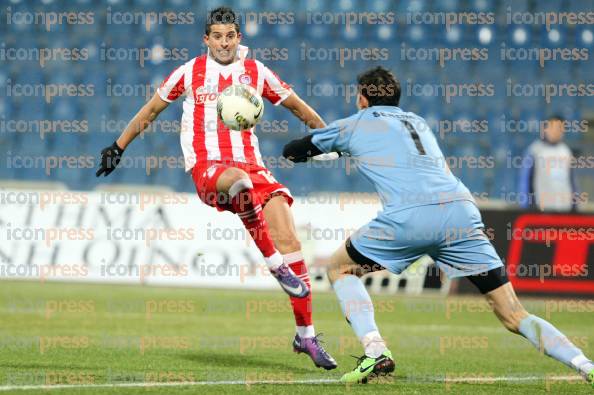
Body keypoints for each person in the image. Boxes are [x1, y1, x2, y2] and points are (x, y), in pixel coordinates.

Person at [282, 66, 594, 384]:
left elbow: (292, 152)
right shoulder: (419, 123)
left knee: (340, 268)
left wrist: (325, 148)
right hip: (461, 212)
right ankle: (586, 365)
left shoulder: (355, 123)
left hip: (411, 216)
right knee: (515, 314)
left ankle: (375, 350)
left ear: (362, 98)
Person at [95, 6, 336, 369]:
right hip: (208, 168)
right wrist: (119, 146)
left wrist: (332, 139)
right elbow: (150, 111)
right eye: (217, 37)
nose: (224, 43)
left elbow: (300, 109)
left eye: (230, 36)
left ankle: (306, 336)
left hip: (253, 166)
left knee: (290, 238)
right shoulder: (189, 72)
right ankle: (275, 266)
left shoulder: (257, 72)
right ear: (206, 39)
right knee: (238, 186)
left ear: (239, 37)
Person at [518, 115, 579, 211]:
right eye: (553, 127)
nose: (556, 131)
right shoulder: (535, 150)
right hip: (542, 209)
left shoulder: (566, 151)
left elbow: (572, 181)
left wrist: (575, 206)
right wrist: (526, 206)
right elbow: (526, 180)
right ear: (546, 129)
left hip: (564, 210)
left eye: (560, 128)